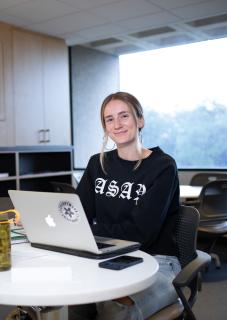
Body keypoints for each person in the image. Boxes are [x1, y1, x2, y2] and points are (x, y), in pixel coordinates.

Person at [70, 92, 181, 320]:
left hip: (157, 262)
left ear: (140, 120)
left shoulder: (163, 167)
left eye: (124, 116)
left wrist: (88, 233)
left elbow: (139, 233)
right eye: (109, 119)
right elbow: (77, 215)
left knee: (116, 310)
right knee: (71, 299)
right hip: (105, 256)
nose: (117, 124)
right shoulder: (97, 163)